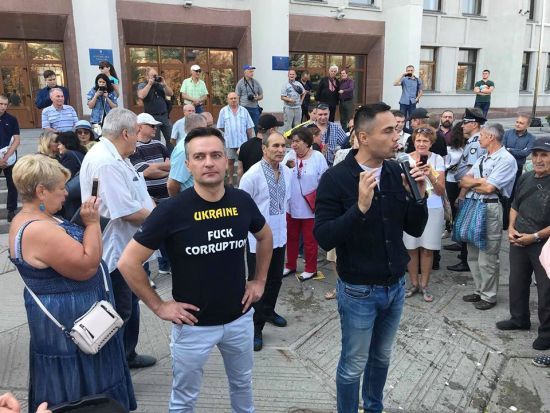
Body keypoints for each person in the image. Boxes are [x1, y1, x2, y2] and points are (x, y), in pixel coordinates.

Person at [117, 126, 273, 412]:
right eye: (199, 157)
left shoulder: (241, 201)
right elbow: (128, 262)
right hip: (192, 327)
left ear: (226, 161)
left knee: (242, 384)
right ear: (188, 165)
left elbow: (265, 236)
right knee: (184, 398)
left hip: (239, 319)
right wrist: (159, 306)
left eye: (216, 155)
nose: (209, 162)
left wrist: (259, 280)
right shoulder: (171, 210)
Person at [314, 102, 428, 413]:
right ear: (363, 137)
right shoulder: (336, 178)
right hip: (358, 291)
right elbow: (324, 237)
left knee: (382, 357)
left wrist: (418, 196)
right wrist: (360, 208)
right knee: (353, 364)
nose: (397, 136)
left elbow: (414, 228)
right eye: (388, 131)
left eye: (397, 129)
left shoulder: (395, 171)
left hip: (395, 286)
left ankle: (374, 407)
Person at [9, 154, 136, 413]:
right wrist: (92, 224)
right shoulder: (38, 228)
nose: (66, 193)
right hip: (74, 323)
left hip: (72, 317)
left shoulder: (35, 218)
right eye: (60, 188)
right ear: (41, 191)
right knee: (82, 385)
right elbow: (88, 266)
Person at [79, 108, 157, 369]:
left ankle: (127, 355)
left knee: (129, 304)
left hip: (128, 247)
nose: (138, 138)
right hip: (117, 251)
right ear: (125, 133)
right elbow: (127, 212)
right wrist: (162, 222)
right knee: (120, 309)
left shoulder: (116, 155)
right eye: (136, 132)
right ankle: (117, 365)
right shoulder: (107, 162)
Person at [496, 137, 550, 351]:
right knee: (517, 281)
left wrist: (535, 236)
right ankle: (519, 319)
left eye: (544, 155)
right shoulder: (526, 177)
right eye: (535, 155)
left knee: (546, 289)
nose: (538, 159)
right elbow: (515, 205)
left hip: (544, 244)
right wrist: (511, 228)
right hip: (519, 239)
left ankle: (547, 333)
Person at [239, 131, 292, 351]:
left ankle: (268, 311)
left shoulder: (287, 172)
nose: (280, 150)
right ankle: (255, 327)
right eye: (275, 146)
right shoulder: (252, 175)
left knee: (276, 279)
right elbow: (242, 208)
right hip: (258, 241)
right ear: (264, 148)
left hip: (279, 236)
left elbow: (286, 203)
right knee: (256, 284)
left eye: (283, 146)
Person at [459, 123, 517, 310]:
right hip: (474, 205)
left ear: (491, 137)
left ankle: (489, 296)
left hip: (491, 207)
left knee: (488, 256)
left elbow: (490, 188)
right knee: (473, 254)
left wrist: (476, 183)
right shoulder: (483, 157)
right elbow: (463, 181)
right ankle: (479, 290)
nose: (479, 138)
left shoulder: (506, 159)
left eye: (482, 135)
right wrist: (480, 181)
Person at [402, 126, 445, 302]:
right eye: (418, 140)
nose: (421, 144)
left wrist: (431, 175)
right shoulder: (404, 158)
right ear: (413, 141)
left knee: (428, 248)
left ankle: (425, 285)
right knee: (411, 247)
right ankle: (413, 284)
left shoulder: (437, 159)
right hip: (410, 207)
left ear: (431, 143)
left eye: (425, 141)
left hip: (433, 207)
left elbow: (441, 191)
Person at [282, 127, 328, 281]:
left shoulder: (318, 157)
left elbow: (324, 181)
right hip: (291, 206)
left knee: (310, 240)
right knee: (291, 237)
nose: (293, 145)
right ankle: (290, 265)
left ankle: (311, 268)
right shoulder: (289, 156)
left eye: (297, 141)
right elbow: (281, 175)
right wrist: (286, 167)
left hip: (310, 207)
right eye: (292, 142)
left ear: (307, 142)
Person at [446, 108, 487, 272]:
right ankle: (463, 250)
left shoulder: (476, 143)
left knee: (466, 221)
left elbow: (471, 171)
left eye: (465, 123)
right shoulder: (473, 140)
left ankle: (465, 260)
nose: (462, 126)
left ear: (474, 124)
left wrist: (461, 194)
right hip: (465, 186)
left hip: (468, 189)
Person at [130, 113, 171, 276]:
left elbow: (171, 165)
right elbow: (145, 172)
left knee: (166, 232)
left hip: (165, 196)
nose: (155, 128)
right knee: (148, 234)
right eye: (152, 126)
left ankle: (165, 265)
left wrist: (155, 168)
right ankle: (145, 273)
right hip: (148, 200)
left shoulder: (159, 145)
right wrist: (162, 169)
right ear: (140, 127)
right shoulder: (133, 147)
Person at [217, 92, 255, 186]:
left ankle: (241, 182)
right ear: (227, 100)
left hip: (242, 143)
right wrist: (229, 133)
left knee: (242, 163)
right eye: (231, 98)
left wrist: (251, 141)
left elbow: (249, 127)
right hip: (230, 142)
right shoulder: (223, 111)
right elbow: (220, 126)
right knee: (230, 162)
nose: (233, 100)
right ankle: (230, 181)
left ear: (238, 99)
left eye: (235, 98)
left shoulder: (244, 111)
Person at [167, 113, 207, 196]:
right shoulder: (184, 150)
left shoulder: (192, 144)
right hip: (191, 199)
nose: (208, 132)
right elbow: (172, 185)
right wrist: (178, 202)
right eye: (206, 128)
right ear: (198, 129)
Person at [137, 67, 174, 147]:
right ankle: (157, 153)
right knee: (155, 140)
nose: (155, 77)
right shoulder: (143, 85)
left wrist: (165, 85)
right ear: (147, 76)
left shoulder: (159, 84)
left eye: (156, 75)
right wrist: (149, 84)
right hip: (152, 117)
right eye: (153, 76)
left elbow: (170, 93)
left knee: (171, 139)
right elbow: (141, 95)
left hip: (164, 115)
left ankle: (170, 154)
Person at [238, 113, 283, 179]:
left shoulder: (244, 146)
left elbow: (240, 171)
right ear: (272, 130)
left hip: (248, 183)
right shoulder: (269, 149)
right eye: (276, 129)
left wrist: (241, 185)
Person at [502, 114, 536, 199]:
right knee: (501, 190)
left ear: (527, 125)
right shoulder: (507, 133)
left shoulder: (531, 138)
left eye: (521, 123)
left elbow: (525, 153)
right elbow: (502, 149)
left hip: (518, 168)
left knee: (513, 191)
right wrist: (519, 151)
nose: (517, 124)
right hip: (504, 165)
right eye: (517, 122)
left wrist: (509, 149)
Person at [0, 95, 20, 222]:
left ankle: (11, 211)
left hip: (10, 157)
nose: (3, 107)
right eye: (1, 104)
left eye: (5, 104)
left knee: (12, 184)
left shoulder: (12, 119)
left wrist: (5, 158)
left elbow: (17, 140)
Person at [444, 122, 466, 235]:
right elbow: (445, 165)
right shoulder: (450, 149)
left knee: (460, 205)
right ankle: (449, 228)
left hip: (464, 181)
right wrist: (450, 167)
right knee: (452, 205)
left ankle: (458, 229)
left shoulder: (467, 148)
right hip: (451, 180)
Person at [235, 64, 263, 129]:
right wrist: (237, 109)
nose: (252, 73)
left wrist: (257, 98)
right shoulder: (240, 83)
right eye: (250, 71)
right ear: (245, 72)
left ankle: (257, 136)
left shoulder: (256, 82)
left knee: (257, 126)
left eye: (252, 71)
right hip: (244, 108)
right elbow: (237, 96)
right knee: (244, 127)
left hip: (254, 108)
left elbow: (261, 95)